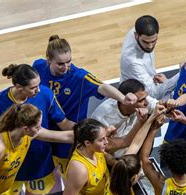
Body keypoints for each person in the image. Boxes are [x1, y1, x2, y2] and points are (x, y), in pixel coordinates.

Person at [33, 35, 136, 176]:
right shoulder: (38, 66)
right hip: (44, 128)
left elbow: (102, 87)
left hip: (68, 134)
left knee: (69, 174)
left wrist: (123, 98)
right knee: (46, 173)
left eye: (68, 62)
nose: (66, 67)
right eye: (60, 64)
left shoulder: (79, 77)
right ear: (49, 60)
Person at [0, 64, 74, 195]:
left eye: (38, 85)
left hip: (39, 161)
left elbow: (64, 123)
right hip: (13, 167)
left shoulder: (46, 94)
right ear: (19, 87)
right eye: (33, 88)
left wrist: (85, 128)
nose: (38, 90)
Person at [90, 78, 157, 158]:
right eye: (141, 100)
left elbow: (159, 106)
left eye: (146, 97)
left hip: (134, 150)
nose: (147, 103)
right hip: (115, 160)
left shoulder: (139, 100)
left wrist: (168, 106)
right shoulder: (102, 116)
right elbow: (107, 146)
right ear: (126, 102)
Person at [120, 15, 179, 100]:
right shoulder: (132, 61)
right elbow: (154, 94)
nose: (150, 46)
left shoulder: (139, 29)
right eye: (145, 42)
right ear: (136, 35)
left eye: (153, 41)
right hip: (136, 100)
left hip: (148, 80)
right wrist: (182, 73)